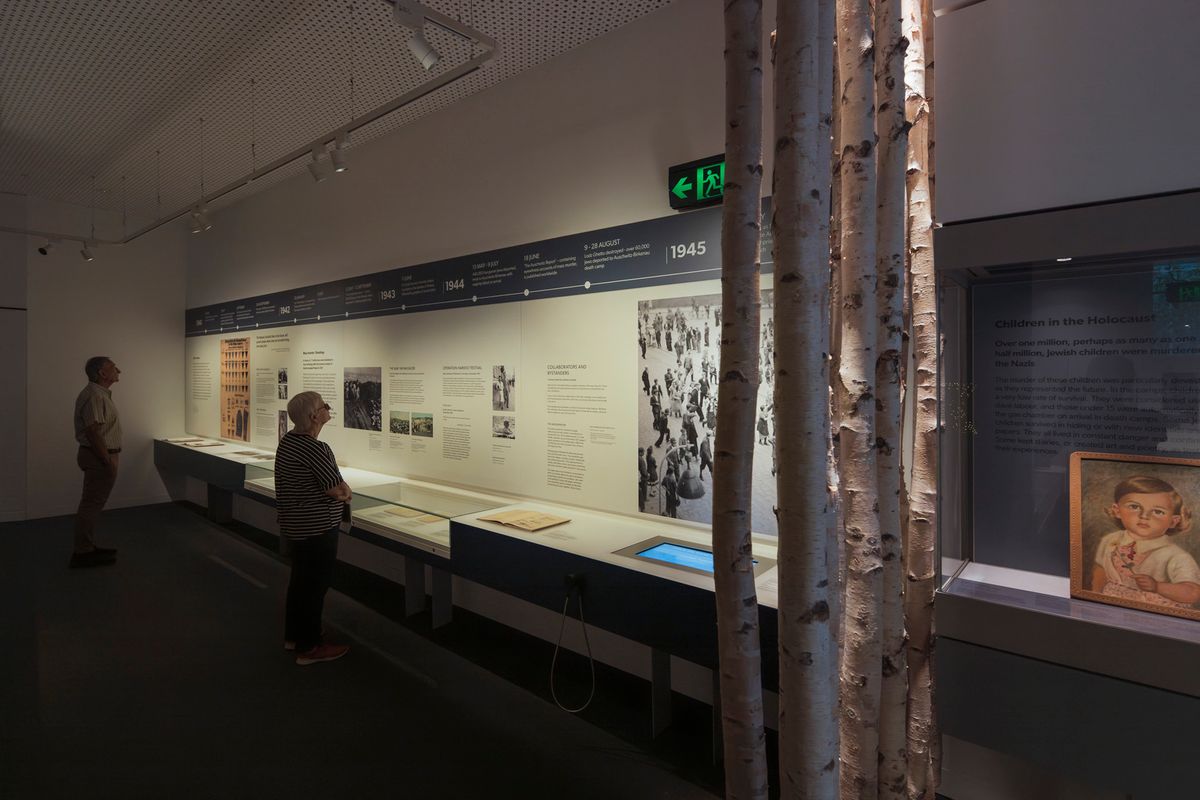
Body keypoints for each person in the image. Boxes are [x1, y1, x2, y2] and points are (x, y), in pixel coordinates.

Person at [276, 391, 353, 665]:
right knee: (315, 587)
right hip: (318, 528)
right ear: (314, 416)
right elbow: (336, 489)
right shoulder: (316, 449)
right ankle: (309, 648)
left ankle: (294, 636)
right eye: (324, 406)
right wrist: (345, 492)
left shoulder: (288, 441)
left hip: (296, 526)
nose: (327, 408)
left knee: (300, 583)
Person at [1090, 476, 1200, 610]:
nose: (1144, 516)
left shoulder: (1176, 556)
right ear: (1117, 510)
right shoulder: (1109, 540)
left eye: (1158, 511)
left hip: (1156, 614)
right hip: (1112, 608)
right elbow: (1100, 573)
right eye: (1134, 507)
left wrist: (1157, 587)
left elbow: (1193, 593)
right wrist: (1095, 601)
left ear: (1173, 521)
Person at [70, 356, 123, 568]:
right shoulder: (94, 395)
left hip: (99, 455)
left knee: (92, 503)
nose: (119, 370)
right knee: (91, 504)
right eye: (113, 367)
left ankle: (86, 546)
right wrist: (106, 460)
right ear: (102, 373)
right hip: (98, 456)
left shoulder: (99, 394)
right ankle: (83, 551)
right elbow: (92, 432)